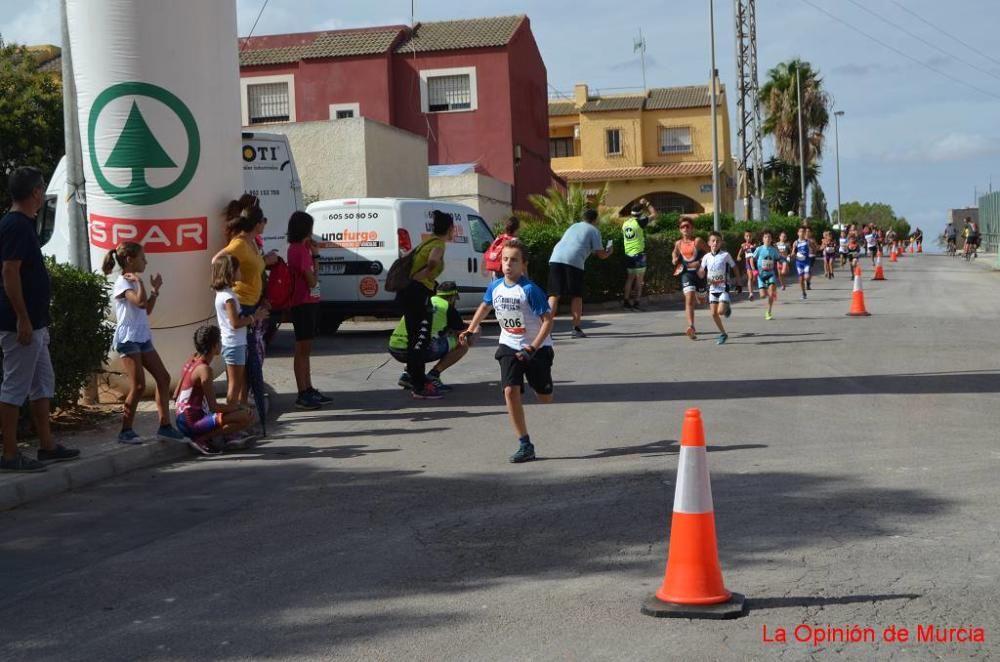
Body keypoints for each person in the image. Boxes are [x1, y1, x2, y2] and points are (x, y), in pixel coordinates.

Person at [0, 167, 79, 472]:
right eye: (42, 189)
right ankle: (9, 454)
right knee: (15, 387)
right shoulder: (16, 226)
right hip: (22, 324)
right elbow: (9, 272)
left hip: (35, 323)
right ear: (34, 192)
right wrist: (22, 318)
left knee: (42, 383)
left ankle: (47, 445)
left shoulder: (23, 224)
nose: (44, 194)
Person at [462, 240, 554, 464]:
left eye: (513, 260)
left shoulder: (530, 290)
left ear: (523, 264)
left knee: (545, 397)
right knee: (510, 391)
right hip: (509, 345)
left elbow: (548, 321)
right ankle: (525, 444)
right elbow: (486, 306)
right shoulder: (495, 287)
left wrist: (532, 347)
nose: (508, 264)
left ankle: (539, 385)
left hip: (537, 349)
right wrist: (471, 328)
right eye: (504, 259)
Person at [102, 243, 186, 444]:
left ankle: (165, 426)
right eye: (142, 258)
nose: (146, 261)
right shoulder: (124, 283)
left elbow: (145, 309)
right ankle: (126, 430)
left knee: (163, 378)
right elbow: (139, 302)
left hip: (142, 337)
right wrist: (139, 281)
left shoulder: (134, 283)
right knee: (138, 386)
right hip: (128, 339)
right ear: (130, 260)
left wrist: (155, 291)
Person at [213, 197, 278, 406]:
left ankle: (246, 403)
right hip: (244, 304)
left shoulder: (251, 242)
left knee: (254, 356)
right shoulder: (240, 243)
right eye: (264, 219)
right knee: (247, 359)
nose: (266, 223)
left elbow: (255, 269)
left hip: (254, 302)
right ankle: (241, 406)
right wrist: (232, 277)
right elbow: (217, 259)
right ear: (257, 224)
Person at [174, 325, 255, 456]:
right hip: (192, 423)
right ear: (215, 346)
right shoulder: (205, 370)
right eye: (220, 341)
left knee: (237, 412)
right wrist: (238, 408)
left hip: (180, 420)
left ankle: (212, 436)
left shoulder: (192, 360)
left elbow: (175, 394)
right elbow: (214, 407)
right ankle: (201, 439)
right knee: (245, 417)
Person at [399, 210, 455, 399]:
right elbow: (432, 261)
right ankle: (419, 386)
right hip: (418, 293)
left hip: (410, 293)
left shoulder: (427, 241)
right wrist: (425, 275)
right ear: (450, 229)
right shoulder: (438, 244)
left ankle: (413, 377)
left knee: (414, 338)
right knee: (420, 339)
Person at [211, 254, 268, 426]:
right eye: (238, 269)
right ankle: (230, 424)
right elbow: (235, 323)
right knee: (234, 387)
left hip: (236, 343)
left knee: (241, 384)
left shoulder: (225, 294)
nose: (240, 272)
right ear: (230, 272)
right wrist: (254, 317)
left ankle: (240, 421)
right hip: (234, 344)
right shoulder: (228, 297)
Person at [286, 211, 332, 409]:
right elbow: (312, 280)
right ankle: (302, 392)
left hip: (309, 300)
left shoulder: (300, 249)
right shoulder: (298, 250)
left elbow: (314, 277)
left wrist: (316, 255)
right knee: (302, 349)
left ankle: (308, 388)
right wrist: (313, 256)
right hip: (302, 302)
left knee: (306, 349)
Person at [390, 281, 469, 392]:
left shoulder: (422, 301)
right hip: (420, 350)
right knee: (463, 343)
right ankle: (434, 375)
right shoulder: (447, 307)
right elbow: (462, 331)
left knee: (416, 338)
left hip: (394, 347)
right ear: (452, 297)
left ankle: (408, 374)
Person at [547, 208, 611, 338]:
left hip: (555, 258)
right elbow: (601, 254)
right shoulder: (594, 230)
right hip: (574, 261)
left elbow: (577, 244)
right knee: (576, 295)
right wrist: (610, 251)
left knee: (554, 294)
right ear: (595, 219)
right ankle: (576, 329)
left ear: (583, 218)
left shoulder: (574, 226)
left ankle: (546, 330)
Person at [698, 231, 741, 345]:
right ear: (709, 243)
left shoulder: (725, 255)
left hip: (723, 288)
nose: (715, 243)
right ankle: (723, 334)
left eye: (717, 241)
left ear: (721, 243)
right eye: (713, 241)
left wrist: (738, 283)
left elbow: (735, 268)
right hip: (712, 288)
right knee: (713, 313)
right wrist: (700, 274)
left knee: (720, 311)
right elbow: (702, 271)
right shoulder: (706, 257)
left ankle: (726, 308)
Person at [672, 219, 710, 339]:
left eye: (687, 226)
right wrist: (674, 258)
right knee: (689, 299)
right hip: (686, 273)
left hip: (699, 274)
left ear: (692, 228)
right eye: (682, 226)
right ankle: (691, 327)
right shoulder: (678, 243)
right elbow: (674, 253)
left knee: (702, 301)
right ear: (680, 229)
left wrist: (699, 262)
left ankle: (703, 296)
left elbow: (709, 253)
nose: (685, 229)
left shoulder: (697, 241)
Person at [621, 198, 656, 311]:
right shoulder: (640, 222)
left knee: (630, 278)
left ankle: (626, 301)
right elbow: (654, 214)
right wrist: (647, 203)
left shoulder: (625, 224)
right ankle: (636, 303)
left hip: (628, 255)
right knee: (639, 280)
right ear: (640, 214)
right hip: (639, 255)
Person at [751, 230, 781, 320]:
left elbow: (778, 258)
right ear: (762, 239)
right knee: (763, 295)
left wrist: (780, 263)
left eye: (769, 237)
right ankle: (771, 291)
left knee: (771, 293)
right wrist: (753, 270)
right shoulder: (759, 249)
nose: (767, 239)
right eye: (765, 237)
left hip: (770, 274)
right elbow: (752, 260)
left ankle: (768, 312)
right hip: (761, 275)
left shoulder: (774, 250)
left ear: (771, 239)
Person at [483, 216, 521, 281]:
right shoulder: (515, 241)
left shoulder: (499, 237)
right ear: (516, 229)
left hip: (495, 272)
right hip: (507, 273)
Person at [792, 226, 815, 300]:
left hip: (806, 262)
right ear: (798, 233)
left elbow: (814, 248)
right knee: (801, 279)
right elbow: (793, 252)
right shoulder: (795, 242)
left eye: (803, 232)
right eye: (800, 232)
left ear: (805, 233)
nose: (802, 233)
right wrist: (791, 255)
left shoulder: (808, 241)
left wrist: (812, 251)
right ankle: (803, 293)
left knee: (806, 277)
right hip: (799, 263)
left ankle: (808, 280)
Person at [736, 230, 757, 300]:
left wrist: (754, 248)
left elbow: (757, 252)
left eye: (750, 236)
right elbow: (740, 251)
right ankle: (751, 293)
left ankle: (754, 272)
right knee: (750, 277)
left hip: (754, 262)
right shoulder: (743, 245)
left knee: (753, 279)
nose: (748, 238)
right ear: (744, 237)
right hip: (747, 262)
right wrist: (738, 256)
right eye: (747, 236)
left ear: (752, 237)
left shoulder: (754, 245)